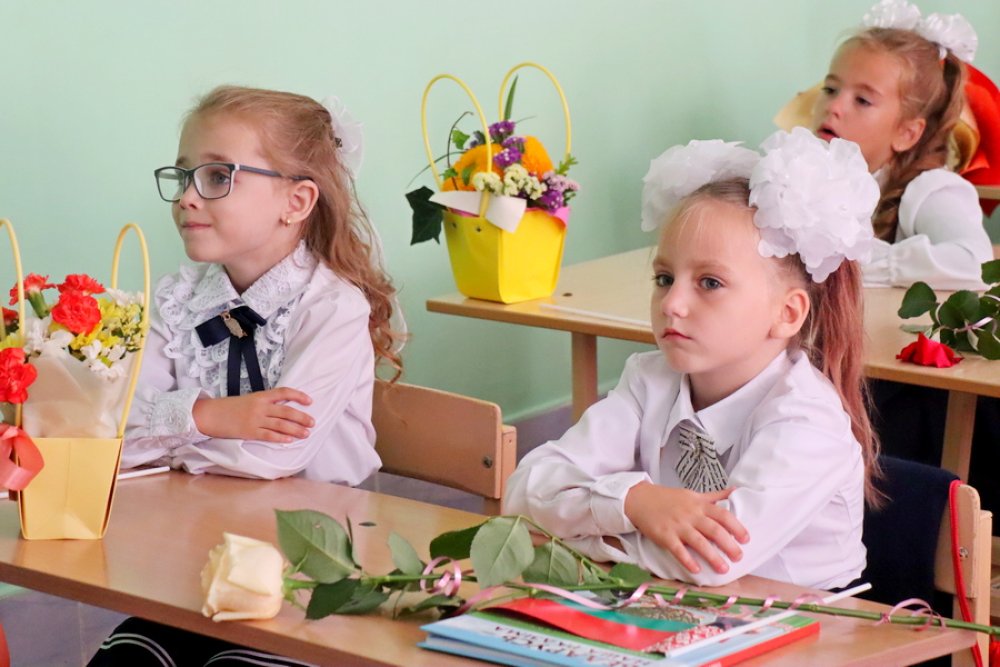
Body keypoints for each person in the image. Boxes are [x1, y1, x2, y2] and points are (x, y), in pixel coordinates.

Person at [504, 128, 880, 589]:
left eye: (710, 283)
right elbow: (525, 490)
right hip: (673, 604)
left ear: (787, 313)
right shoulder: (649, 379)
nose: (672, 304)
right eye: (664, 278)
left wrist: (577, 532)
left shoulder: (807, 421)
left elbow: (710, 560)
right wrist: (634, 503)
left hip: (809, 621)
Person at [121, 85, 403, 485]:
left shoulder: (331, 308)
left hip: (320, 516)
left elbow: (274, 456)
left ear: (296, 202)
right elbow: (113, 427)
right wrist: (210, 415)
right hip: (199, 507)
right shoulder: (176, 300)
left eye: (218, 176)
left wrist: (168, 438)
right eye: (184, 177)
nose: (186, 198)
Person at [809, 0, 992, 290]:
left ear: (907, 133)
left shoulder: (929, 190)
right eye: (830, 89)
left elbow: (975, 263)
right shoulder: (816, 182)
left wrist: (859, 262)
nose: (834, 106)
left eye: (863, 100)